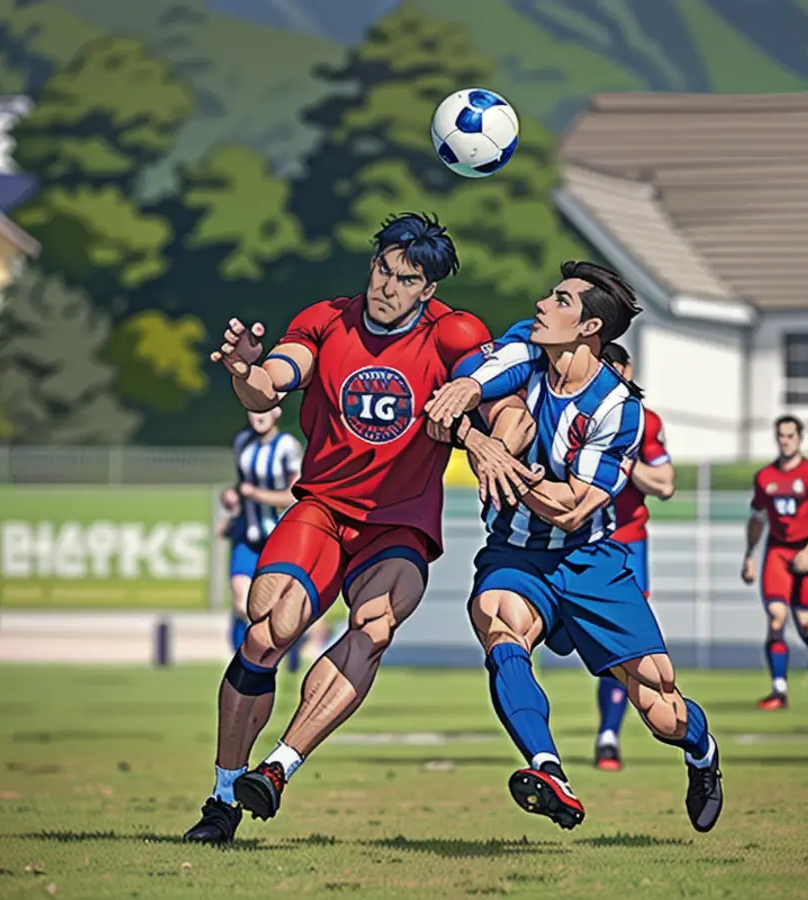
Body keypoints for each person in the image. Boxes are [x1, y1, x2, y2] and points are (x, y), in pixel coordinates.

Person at [183, 212, 540, 842]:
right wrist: (245, 370)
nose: (387, 286)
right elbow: (273, 384)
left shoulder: (455, 332)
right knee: (271, 628)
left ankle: (277, 769)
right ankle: (220, 797)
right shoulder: (326, 318)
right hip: (323, 507)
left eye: (406, 279)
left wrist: (494, 446)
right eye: (382, 269)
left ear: (427, 289)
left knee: (374, 626)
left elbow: (508, 405)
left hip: (399, 525)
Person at [425, 260, 724, 834]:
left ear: (589, 328)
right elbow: (479, 381)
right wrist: (465, 400)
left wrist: (501, 459)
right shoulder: (526, 346)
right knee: (497, 624)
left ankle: (702, 752)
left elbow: (573, 506)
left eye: (559, 300)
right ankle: (549, 769)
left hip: (589, 561)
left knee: (660, 705)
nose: (542, 304)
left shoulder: (618, 410)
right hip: (516, 553)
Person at [593, 342, 675, 771]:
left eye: (612, 366)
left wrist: (620, 462)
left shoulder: (644, 421)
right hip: (575, 542)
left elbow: (664, 484)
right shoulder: (573, 410)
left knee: (623, 645)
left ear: (627, 369)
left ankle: (609, 735)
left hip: (626, 544)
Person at [742, 416, 808, 710]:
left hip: (807, 553)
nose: (785, 440)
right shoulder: (765, 478)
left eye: (790, 435)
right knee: (776, 618)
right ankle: (778, 690)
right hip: (778, 553)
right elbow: (757, 519)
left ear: (799, 438)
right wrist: (749, 555)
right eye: (781, 435)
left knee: (806, 623)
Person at [220, 410, 302, 652]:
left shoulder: (287, 446)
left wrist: (256, 495)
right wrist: (232, 497)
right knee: (241, 602)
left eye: (264, 409)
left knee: (275, 606)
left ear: (277, 411)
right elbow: (241, 485)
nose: (258, 415)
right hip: (247, 534)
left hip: (278, 538)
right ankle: (241, 655)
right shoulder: (242, 442)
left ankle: (287, 645)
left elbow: (294, 495)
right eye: (253, 409)